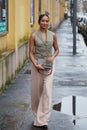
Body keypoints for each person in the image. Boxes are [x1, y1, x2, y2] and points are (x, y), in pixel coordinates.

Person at [29, 13, 59, 128]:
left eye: (47, 21)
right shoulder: (33, 36)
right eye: (43, 21)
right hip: (37, 64)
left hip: (49, 65)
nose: (45, 23)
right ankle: (37, 114)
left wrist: (52, 57)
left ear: (48, 22)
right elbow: (30, 53)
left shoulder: (53, 35)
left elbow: (57, 49)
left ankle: (43, 119)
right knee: (36, 92)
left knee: (47, 91)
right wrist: (36, 65)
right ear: (39, 22)